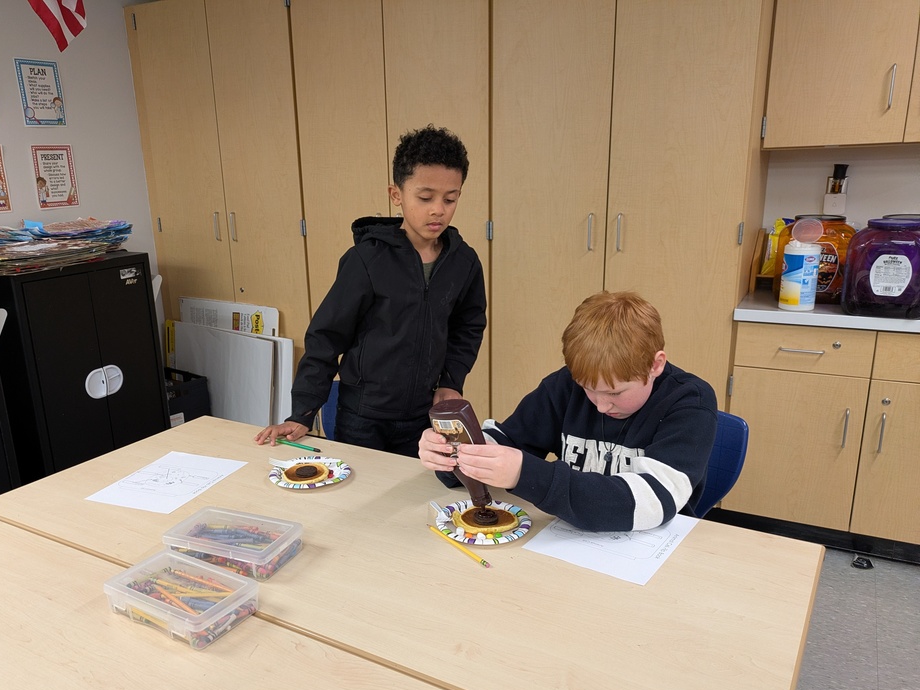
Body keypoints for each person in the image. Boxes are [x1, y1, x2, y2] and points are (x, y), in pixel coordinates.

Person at [255, 125, 486, 456]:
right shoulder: (367, 259)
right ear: (396, 195)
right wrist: (303, 412)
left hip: (424, 417)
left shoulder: (463, 262)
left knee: (412, 498)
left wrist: (451, 381)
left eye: (450, 199)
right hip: (362, 416)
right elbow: (325, 336)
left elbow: (469, 326)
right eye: (425, 197)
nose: (438, 209)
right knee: (359, 498)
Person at [418, 291, 717, 531]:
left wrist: (526, 473)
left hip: (655, 553)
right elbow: (508, 440)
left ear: (655, 365)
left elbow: (650, 501)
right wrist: (458, 454)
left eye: (615, 393)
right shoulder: (564, 387)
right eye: (588, 388)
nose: (600, 405)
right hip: (571, 543)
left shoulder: (690, 403)